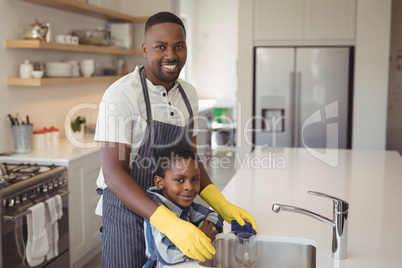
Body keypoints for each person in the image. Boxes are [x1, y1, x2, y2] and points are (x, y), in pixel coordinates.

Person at [94, 11, 257, 268]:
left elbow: (191, 157)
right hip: (128, 214)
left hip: (173, 209)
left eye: (178, 46)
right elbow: (114, 173)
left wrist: (220, 202)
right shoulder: (121, 95)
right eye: (161, 47)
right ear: (145, 50)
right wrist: (167, 222)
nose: (171, 55)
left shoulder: (188, 94)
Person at [143, 146, 224, 267]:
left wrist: (205, 230)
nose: (190, 187)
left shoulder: (185, 204)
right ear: (160, 182)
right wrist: (203, 237)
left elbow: (215, 215)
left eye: (195, 179)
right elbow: (170, 256)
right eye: (180, 179)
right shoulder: (155, 211)